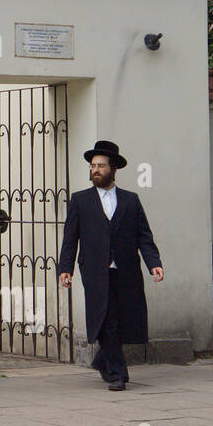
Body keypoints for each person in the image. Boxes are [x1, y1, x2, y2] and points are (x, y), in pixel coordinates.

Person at [58, 139, 164, 391]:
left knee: (124, 319)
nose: (95, 170)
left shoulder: (130, 200)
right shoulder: (80, 200)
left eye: (101, 166)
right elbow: (70, 237)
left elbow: (144, 236)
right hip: (95, 271)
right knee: (105, 319)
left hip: (125, 270)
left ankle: (102, 360)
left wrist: (154, 263)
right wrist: (66, 268)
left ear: (113, 169)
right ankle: (118, 374)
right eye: (93, 166)